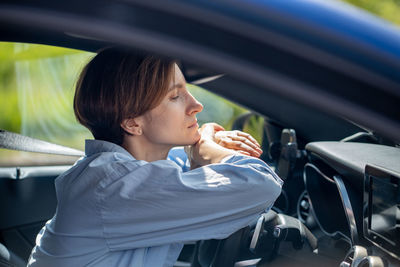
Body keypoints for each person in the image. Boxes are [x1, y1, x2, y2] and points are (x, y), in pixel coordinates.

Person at [28, 48, 283, 267]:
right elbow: (262, 186)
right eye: (175, 96)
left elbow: (184, 166)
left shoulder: (137, 169)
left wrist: (203, 145)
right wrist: (205, 148)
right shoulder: (115, 187)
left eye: (188, 91)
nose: (196, 105)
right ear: (132, 123)